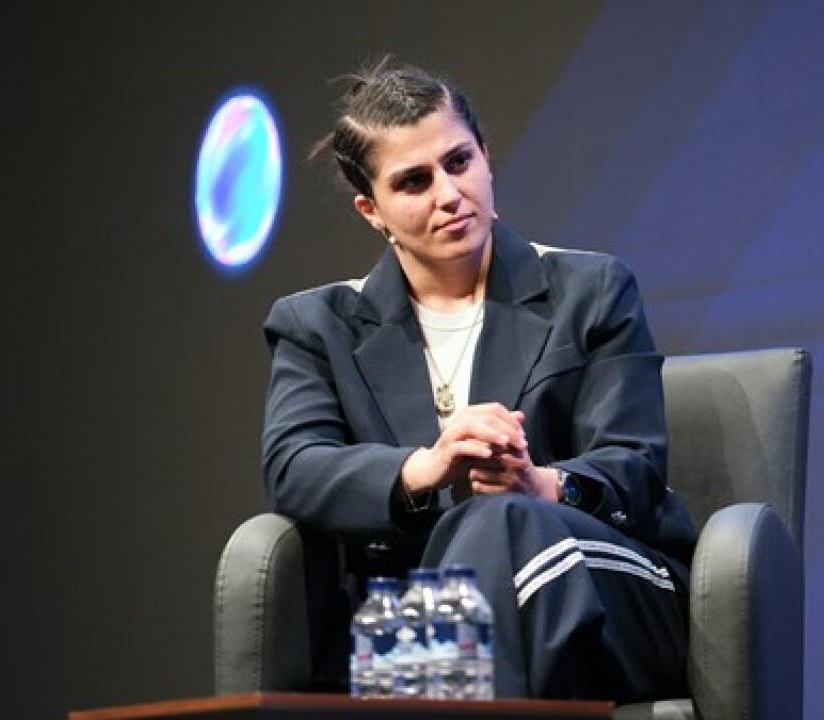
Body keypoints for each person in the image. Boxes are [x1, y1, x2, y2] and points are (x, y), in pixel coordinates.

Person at [260, 58, 695, 701]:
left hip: (608, 592)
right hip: (420, 618)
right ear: (371, 210)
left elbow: (634, 466)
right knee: (462, 563)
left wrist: (542, 484)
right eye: (413, 181)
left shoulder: (591, 290)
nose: (448, 194)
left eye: (459, 162)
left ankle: (430, 690)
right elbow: (294, 466)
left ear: (486, 159)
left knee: (506, 520)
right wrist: (425, 469)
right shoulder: (317, 327)